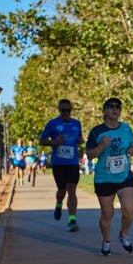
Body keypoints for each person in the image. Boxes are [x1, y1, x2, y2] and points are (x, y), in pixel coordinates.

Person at [85, 97, 133, 256]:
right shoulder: (97, 132)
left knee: (129, 210)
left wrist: (132, 149)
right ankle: (106, 241)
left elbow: (132, 145)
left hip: (124, 176)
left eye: (118, 107)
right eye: (111, 106)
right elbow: (89, 154)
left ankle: (123, 234)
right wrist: (101, 146)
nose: (115, 109)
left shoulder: (126, 128)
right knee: (108, 215)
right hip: (104, 178)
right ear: (105, 111)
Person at [39, 99, 84, 232]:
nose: (66, 113)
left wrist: (81, 141)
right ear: (59, 110)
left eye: (68, 110)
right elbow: (41, 140)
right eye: (63, 110)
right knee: (62, 191)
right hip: (58, 163)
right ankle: (59, 204)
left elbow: (79, 138)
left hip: (72, 162)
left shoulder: (76, 123)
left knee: (72, 190)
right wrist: (54, 142)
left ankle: (72, 220)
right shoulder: (52, 124)